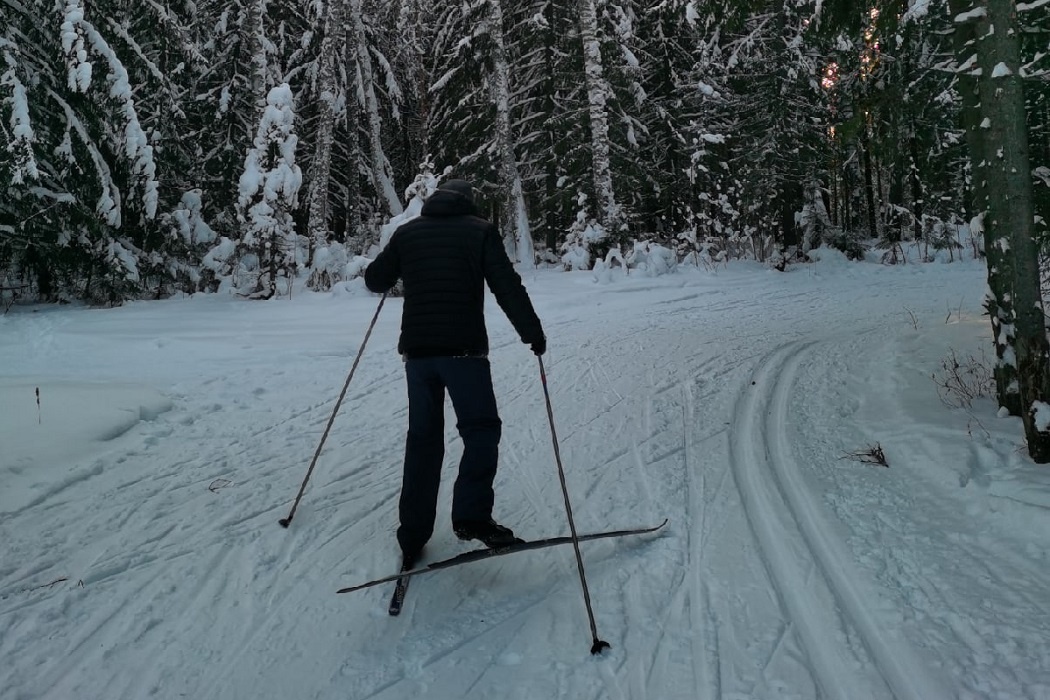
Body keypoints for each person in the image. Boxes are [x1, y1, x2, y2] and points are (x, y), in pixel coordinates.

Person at [364, 178, 546, 567]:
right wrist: (532, 334)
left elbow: (375, 280)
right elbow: (507, 287)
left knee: (423, 440)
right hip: (464, 353)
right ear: (468, 203)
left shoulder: (407, 232)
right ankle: (471, 517)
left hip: (418, 356)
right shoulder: (480, 231)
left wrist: (404, 263)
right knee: (481, 430)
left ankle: (412, 534)